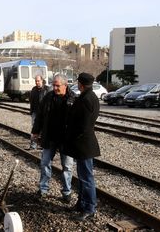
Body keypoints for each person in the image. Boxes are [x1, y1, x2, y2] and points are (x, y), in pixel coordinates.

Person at [31, 74, 75, 203]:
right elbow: (40, 115)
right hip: (49, 137)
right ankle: (43, 189)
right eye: (54, 85)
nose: (55, 88)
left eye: (57, 85)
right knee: (45, 163)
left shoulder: (72, 99)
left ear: (65, 85)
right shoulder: (48, 97)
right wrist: (35, 131)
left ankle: (67, 192)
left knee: (67, 167)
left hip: (65, 139)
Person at [65, 73, 100, 221]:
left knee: (86, 178)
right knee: (82, 177)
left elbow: (84, 126)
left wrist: (73, 137)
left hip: (84, 145)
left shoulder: (86, 99)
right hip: (83, 144)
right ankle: (81, 203)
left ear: (81, 84)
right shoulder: (90, 97)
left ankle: (89, 208)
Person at [28, 75, 49, 150]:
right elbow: (31, 101)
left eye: (38, 81)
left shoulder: (47, 89)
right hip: (35, 112)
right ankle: (33, 145)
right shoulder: (33, 89)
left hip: (44, 113)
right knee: (34, 129)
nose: (37, 82)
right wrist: (32, 111)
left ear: (42, 80)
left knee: (44, 129)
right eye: (36, 81)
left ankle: (43, 145)